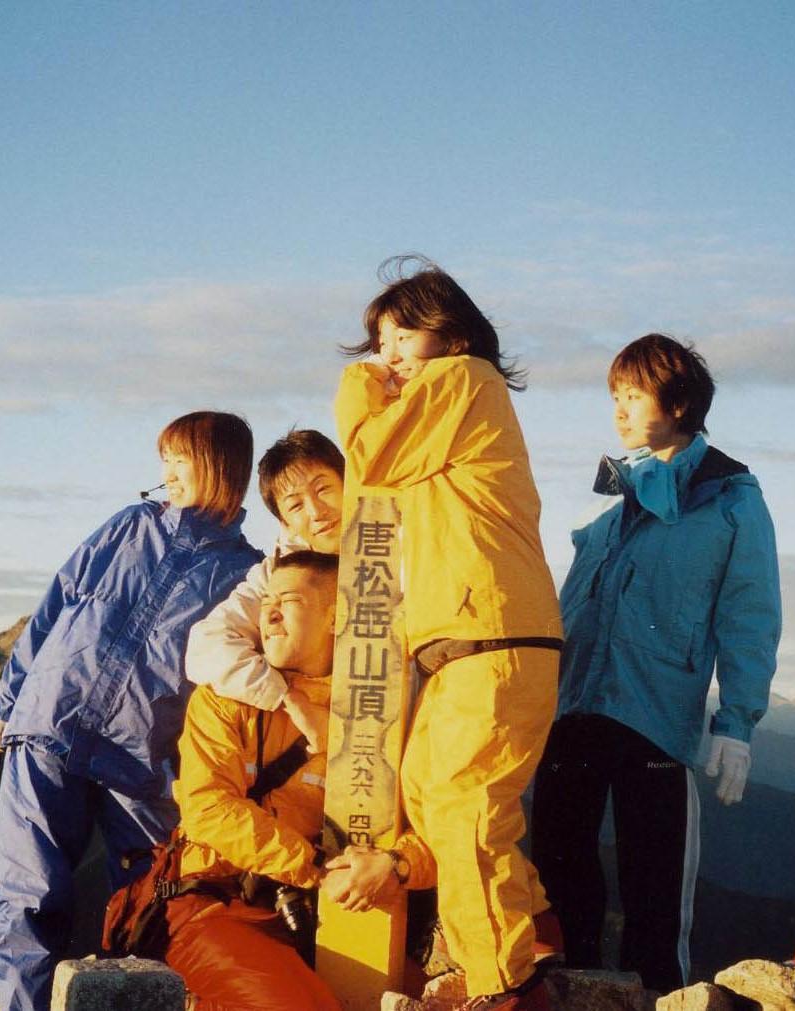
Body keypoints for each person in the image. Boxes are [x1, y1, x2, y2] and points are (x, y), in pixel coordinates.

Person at [334, 256, 563, 1010]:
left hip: (491, 639)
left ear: (451, 331)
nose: (386, 355)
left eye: (400, 336)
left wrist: (360, 384)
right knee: (437, 801)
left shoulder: (464, 379)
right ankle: (524, 944)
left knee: (466, 807)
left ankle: (507, 985)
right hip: (469, 642)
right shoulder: (450, 407)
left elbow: (368, 459)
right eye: (378, 343)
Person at [0, 411, 263, 1011]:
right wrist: (9, 698)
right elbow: (56, 602)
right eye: (163, 459)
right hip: (49, 730)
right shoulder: (131, 525)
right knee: (30, 898)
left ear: (221, 467)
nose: (167, 472)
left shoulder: (247, 573)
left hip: (144, 763)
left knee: (147, 910)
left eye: (179, 458)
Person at [530, 334, 781, 993]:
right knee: (558, 873)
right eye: (614, 394)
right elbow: (567, 611)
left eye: (633, 393)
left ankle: (662, 999)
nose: (618, 408)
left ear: (679, 401)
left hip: (656, 718)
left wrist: (737, 721)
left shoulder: (730, 501)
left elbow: (748, 612)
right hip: (574, 709)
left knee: (653, 891)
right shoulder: (613, 503)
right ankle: (563, 992)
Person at [165, 551, 434, 1010]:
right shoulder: (225, 700)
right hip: (217, 901)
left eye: (287, 601)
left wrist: (397, 865)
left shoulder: (388, 713)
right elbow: (208, 810)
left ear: (338, 617)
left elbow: (438, 822)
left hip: (326, 908)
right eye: (265, 600)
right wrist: (314, 867)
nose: (266, 614)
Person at [185, 428, 345, 748]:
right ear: (284, 521)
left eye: (323, 489)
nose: (316, 512)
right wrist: (289, 699)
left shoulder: (404, 549)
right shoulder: (277, 575)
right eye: (296, 505)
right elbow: (208, 645)